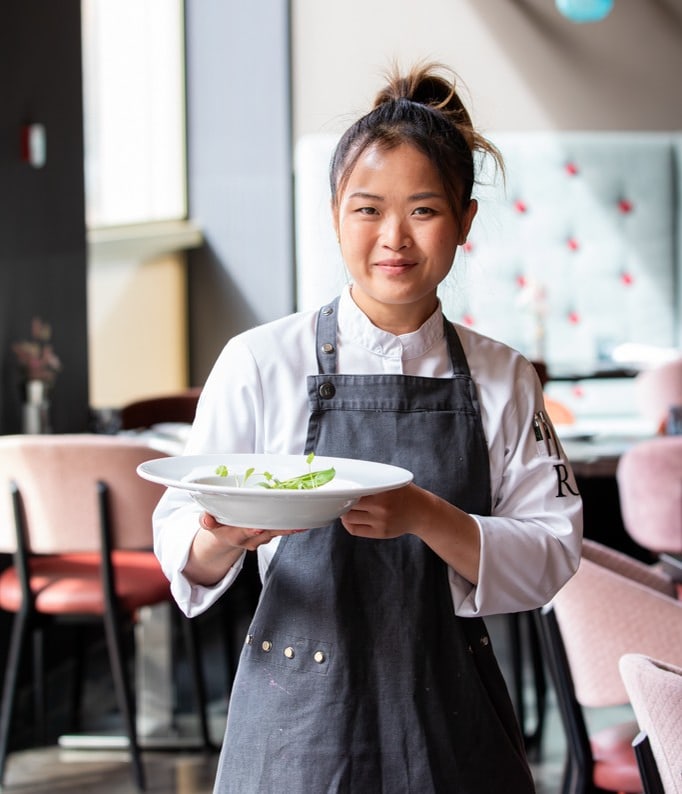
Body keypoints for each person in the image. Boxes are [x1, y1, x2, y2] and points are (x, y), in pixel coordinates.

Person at [153, 62, 582, 793]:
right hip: (296, 713)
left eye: (423, 210)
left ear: (465, 221)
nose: (394, 239)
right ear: (333, 215)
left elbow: (553, 551)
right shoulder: (260, 362)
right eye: (366, 210)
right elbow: (183, 550)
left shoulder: (503, 376)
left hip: (451, 709)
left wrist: (425, 514)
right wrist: (221, 534)